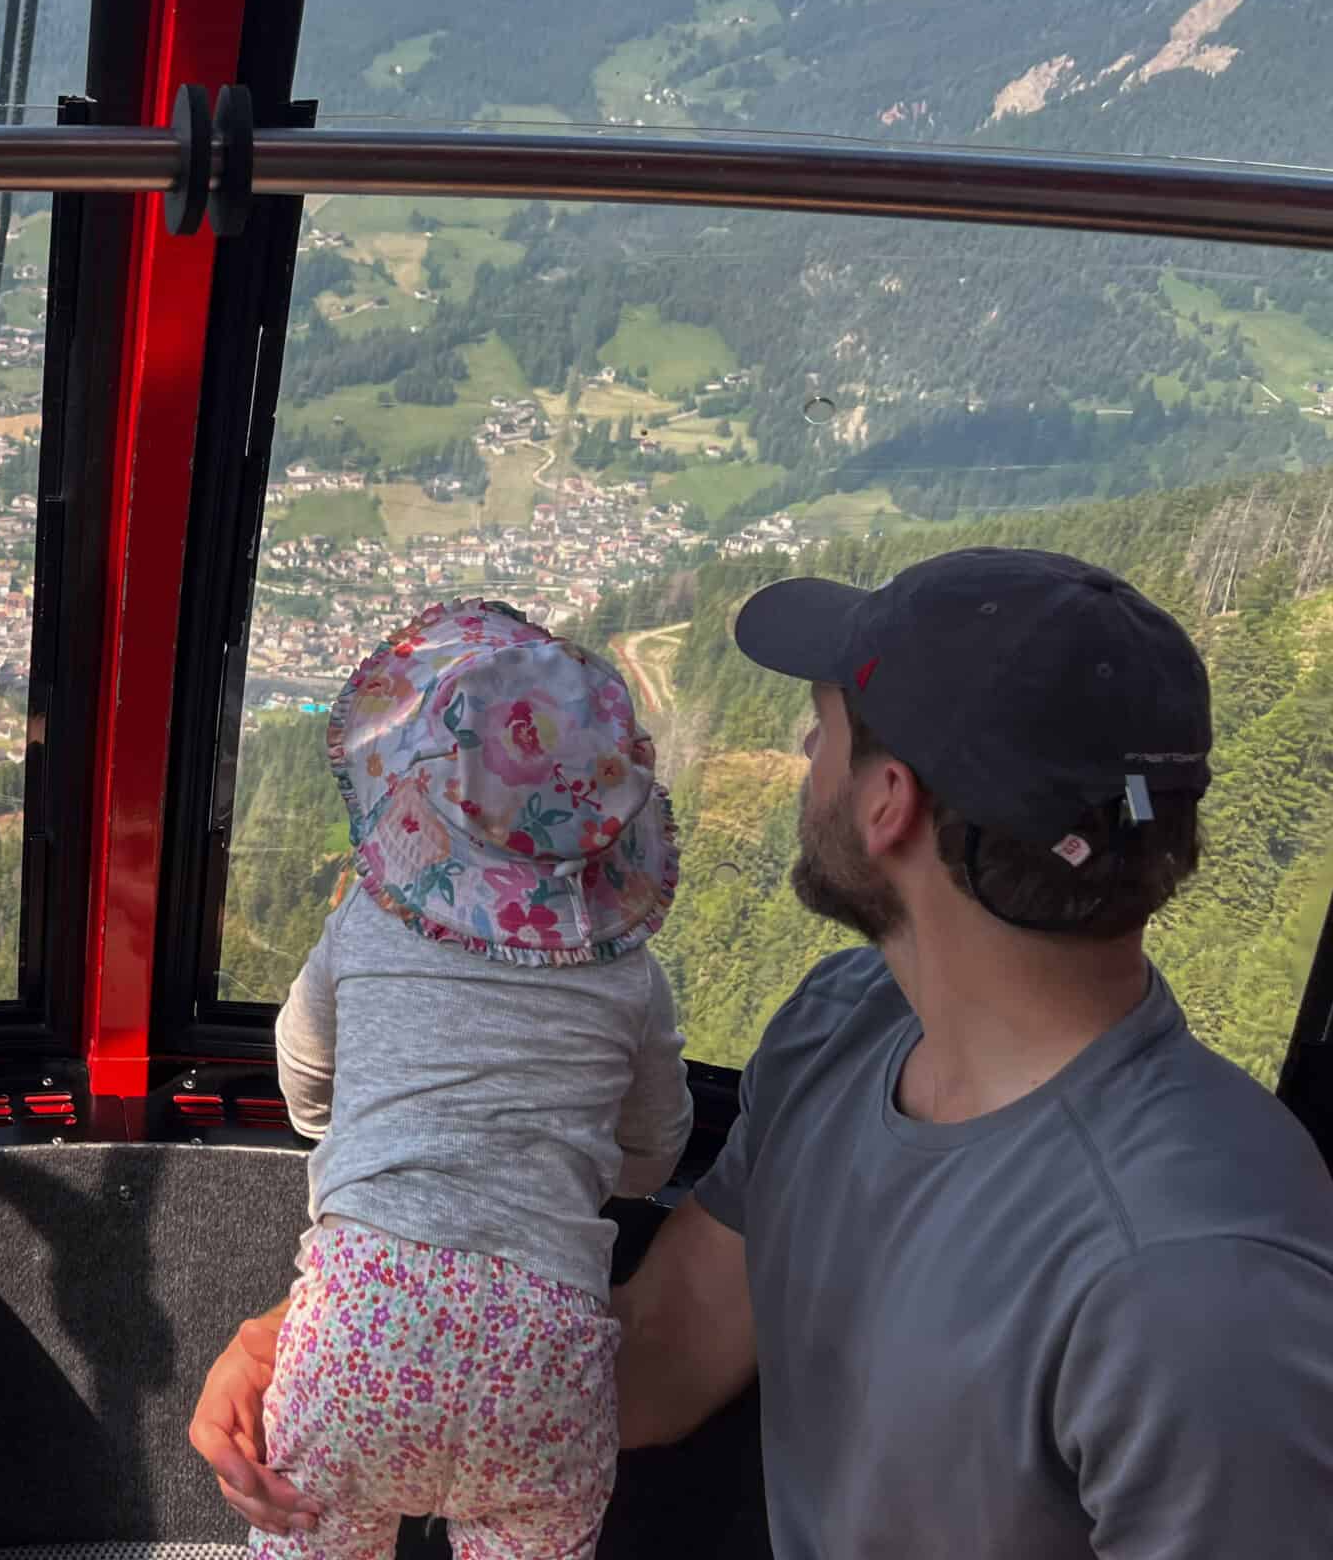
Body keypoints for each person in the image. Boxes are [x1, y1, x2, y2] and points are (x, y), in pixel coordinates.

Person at [193, 547, 1333, 1558]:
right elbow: (656, 1353)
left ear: (888, 802)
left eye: (825, 725)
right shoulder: (848, 1025)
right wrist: (317, 1346)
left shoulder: (1197, 1287)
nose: (799, 743)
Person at [245, 597, 694, 1558]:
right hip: (547, 1351)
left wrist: (343, 1130)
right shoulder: (630, 976)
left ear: (424, 792)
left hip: (360, 1325)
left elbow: (302, 1071)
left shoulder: (364, 925)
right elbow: (654, 1156)